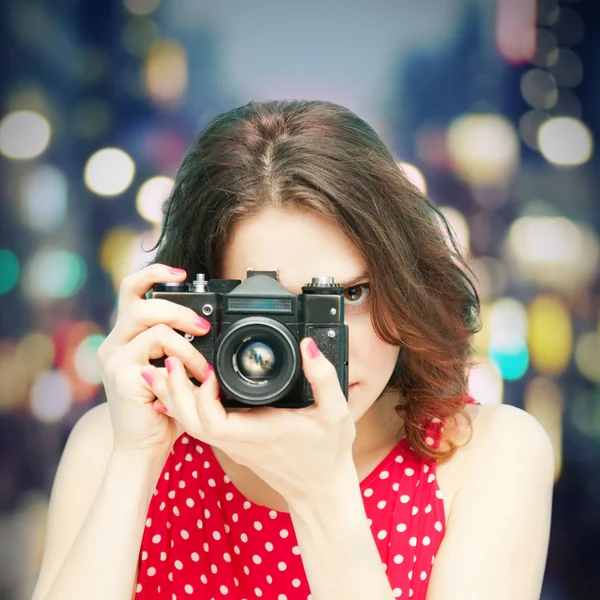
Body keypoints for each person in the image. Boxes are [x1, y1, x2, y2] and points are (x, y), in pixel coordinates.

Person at [31, 100, 554, 600]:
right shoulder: (114, 446)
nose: (314, 355)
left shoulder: (487, 455)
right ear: (198, 309)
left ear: (404, 282)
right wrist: (135, 459)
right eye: (269, 312)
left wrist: (321, 493)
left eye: (348, 295)